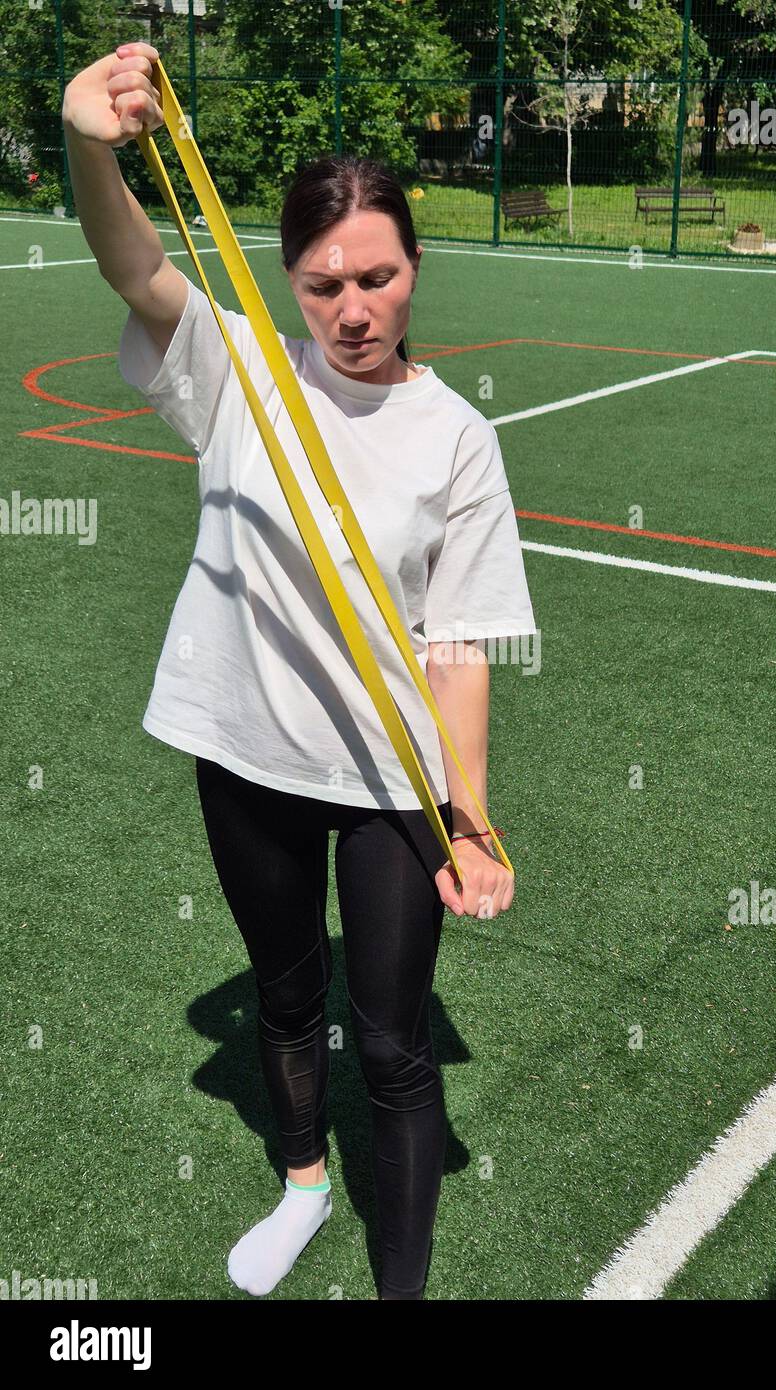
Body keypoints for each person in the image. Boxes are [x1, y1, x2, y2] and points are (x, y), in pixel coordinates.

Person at [61, 41, 537, 1301]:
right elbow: (135, 262)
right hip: (246, 752)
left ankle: (401, 1288)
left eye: (377, 276)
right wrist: (89, 143)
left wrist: (472, 815)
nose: (354, 308)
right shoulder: (242, 375)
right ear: (291, 282)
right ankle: (302, 1185)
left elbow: (459, 643)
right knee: (284, 994)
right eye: (324, 283)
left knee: (391, 1042)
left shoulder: (458, 439)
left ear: (415, 266)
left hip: (392, 777)